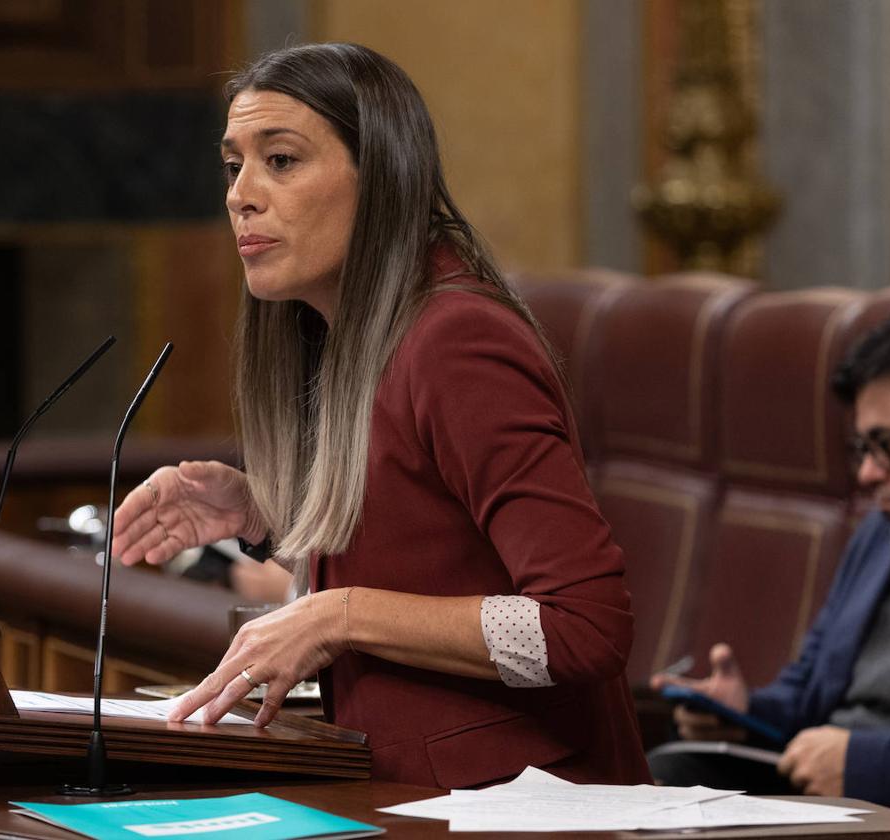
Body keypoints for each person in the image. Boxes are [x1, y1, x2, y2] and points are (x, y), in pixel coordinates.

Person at [112, 42, 649, 788]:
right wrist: (263, 516)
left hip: (522, 808)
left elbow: (582, 625)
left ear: (383, 177)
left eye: (283, 160)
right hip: (412, 795)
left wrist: (338, 615)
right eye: (234, 165)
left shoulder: (457, 340)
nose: (242, 194)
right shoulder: (356, 334)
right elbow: (433, 556)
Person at [650, 319, 890, 806]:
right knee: (668, 776)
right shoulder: (878, 533)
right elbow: (807, 690)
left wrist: (865, 766)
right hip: (817, 782)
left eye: (888, 446)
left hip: (872, 796)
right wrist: (742, 712)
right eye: (864, 449)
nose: (868, 472)